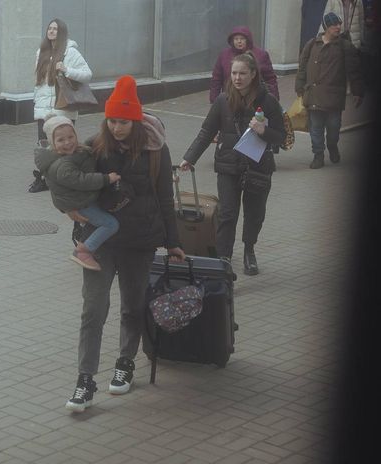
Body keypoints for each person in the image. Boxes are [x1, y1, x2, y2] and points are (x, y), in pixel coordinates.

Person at [66, 76, 185, 413]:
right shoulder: (94, 147)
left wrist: (173, 242)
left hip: (140, 242)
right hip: (101, 243)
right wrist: (73, 218)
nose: (117, 128)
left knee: (132, 307)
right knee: (93, 310)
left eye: (124, 121)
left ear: (135, 120)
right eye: (112, 121)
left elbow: (165, 197)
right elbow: (75, 190)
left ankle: (125, 361)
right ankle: (84, 380)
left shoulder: (155, 150)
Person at [180, 53, 285, 276]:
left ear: (253, 74)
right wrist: (190, 157)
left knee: (255, 213)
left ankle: (249, 250)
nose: (237, 78)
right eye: (234, 73)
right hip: (229, 165)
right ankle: (224, 258)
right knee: (227, 214)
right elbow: (207, 131)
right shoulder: (223, 100)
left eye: (242, 73)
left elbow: (282, 137)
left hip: (258, 166)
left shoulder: (268, 101)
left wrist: (263, 131)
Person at [35, 115, 122, 271]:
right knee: (110, 224)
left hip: (80, 201)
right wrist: (106, 179)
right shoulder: (63, 164)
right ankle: (83, 251)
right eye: (61, 140)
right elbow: (81, 180)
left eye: (71, 136)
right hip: (81, 204)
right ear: (52, 143)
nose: (68, 142)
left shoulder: (73, 153)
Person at [27, 18, 93, 193]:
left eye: (55, 29)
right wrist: (36, 101)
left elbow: (87, 74)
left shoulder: (70, 52)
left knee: (64, 144)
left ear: (62, 32)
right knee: (44, 144)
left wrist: (66, 70)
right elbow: (38, 82)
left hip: (62, 106)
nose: (51, 31)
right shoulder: (41, 52)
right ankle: (45, 179)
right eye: (50, 28)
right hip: (43, 107)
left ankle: (67, 177)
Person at [296, 12, 365, 169]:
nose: (338, 27)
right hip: (314, 95)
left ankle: (332, 146)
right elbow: (302, 68)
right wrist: (299, 87)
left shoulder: (344, 46)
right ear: (326, 26)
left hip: (334, 97)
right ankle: (318, 155)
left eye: (339, 24)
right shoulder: (312, 44)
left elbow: (354, 71)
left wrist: (357, 91)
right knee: (316, 128)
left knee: (333, 129)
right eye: (334, 24)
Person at [209, 26, 279, 104]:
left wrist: (274, 99)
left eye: (242, 39)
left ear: (248, 40)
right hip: (230, 98)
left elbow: (270, 79)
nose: (239, 41)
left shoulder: (261, 55)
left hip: (254, 99)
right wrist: (214, 100)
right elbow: (216, 79)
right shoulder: (224, 55)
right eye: (236, 39)